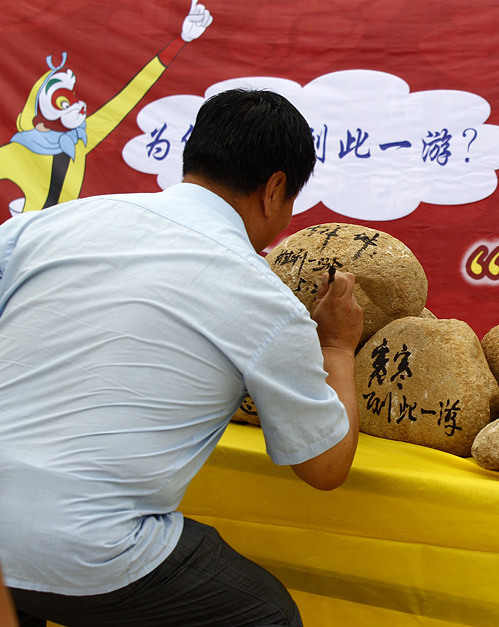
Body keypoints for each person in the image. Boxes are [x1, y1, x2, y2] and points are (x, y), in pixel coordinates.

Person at [0, 89, 363, 626]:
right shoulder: (262, 296)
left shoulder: (33, 229)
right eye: (291, 204)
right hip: (85, 549)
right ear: (276, 189)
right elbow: (326, 466)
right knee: (265, 614)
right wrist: (335, 347)